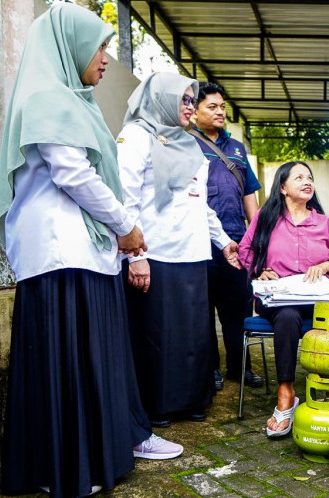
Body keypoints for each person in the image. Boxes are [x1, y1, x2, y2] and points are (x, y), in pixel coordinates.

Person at [0, 4, 182, 497]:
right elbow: (73, 173)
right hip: (62, 254)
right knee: (71, 359)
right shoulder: (46, 99)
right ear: (70, 46)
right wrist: (126, 227)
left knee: (86, 359)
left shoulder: (71, 100)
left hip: (81, 252)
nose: (104, 58)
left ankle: (92, 455)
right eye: (99, 46)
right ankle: (68, 468)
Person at [117, 72, 239, 428]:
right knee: (157, 334)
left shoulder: (187, 143)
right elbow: (125, 200)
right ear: (163, 100)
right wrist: (136, 257)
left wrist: (223, 242)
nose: (188, 107)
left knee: (193, 334)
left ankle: (190, 400)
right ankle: (157, 405)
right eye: (184, 100)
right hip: (155, 253)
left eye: (191, 100)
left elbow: (199, 204)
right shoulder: (137, 137)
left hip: (193, 251)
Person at [238, 161, 329, 437]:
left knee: (295, 314)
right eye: (299, 177)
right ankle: (286, 391)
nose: (307, 182)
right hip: (278, 300)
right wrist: (260, 270)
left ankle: (322, 392)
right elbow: (245, 250)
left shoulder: (325, 224)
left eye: (310, 178)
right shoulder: (265, 218)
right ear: (283, 187)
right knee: (287, 314)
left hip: (317, 303)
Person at [191, 82, 263, 391]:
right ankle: (210, 371)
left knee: (238, 309)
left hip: (236, 242)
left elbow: (249, 194)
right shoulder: (185, 144)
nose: (220, 112)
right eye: (212, 107)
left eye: (222, 107)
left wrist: (257, 237)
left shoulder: (237, 148)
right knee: (202, 311)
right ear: (194, 111)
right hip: (199, 243)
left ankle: (240, 367)